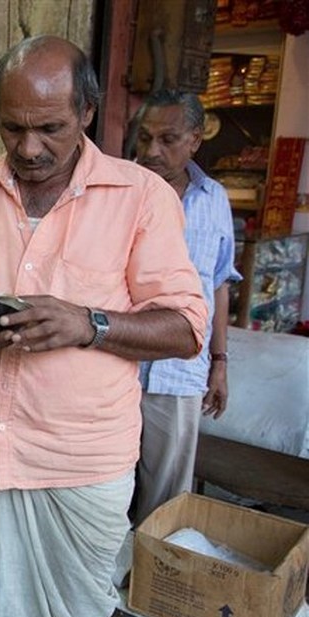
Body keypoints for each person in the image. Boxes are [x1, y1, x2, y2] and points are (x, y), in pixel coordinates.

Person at [0, 36, 208, 617]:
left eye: (50, 128)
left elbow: (185, 328)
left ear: (89, 112)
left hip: (79, 469)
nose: (31, 147)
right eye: (13, 129)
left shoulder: (140, 198)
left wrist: (88, 323)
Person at [131, 89, 242, 524]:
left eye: (168, 139)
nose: (152, 151)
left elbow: (217, 283)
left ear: (195, 140)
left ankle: (146, 582)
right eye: (144, 138)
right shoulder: (121, 191)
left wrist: (219, 362)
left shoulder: (213, 199)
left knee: (165, 496)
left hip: (181, 370)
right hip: (116, 362)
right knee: (103, 483)